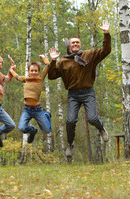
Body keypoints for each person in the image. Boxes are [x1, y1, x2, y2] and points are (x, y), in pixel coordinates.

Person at [48, 20, 111, 160]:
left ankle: (101, 129)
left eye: (77, 42)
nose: (75, 44)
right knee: (70, 121)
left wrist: (106, 34)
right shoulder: (63, 62)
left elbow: (106, 51)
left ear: (80, 44)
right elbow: (51, 76)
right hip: (73, 95)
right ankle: (70, 144)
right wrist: (52, 62)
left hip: (88, 92)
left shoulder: (89, 55)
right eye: (72, 43)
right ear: (69, 46)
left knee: (93, 118)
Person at [8, 55, 51, 143]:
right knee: (21, 128)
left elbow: (48, 66)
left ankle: (46, 114)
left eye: (36, 71)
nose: (34, 72)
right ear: (28, 71)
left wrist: (44, 58)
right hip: (27, 110)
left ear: (38, 71)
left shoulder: (40, 78)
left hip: (38, 109)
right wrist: (11, 70)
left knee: (47, 130)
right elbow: (18, 77)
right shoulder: (26, 79)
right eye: (32, 70)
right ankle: (32, 131)